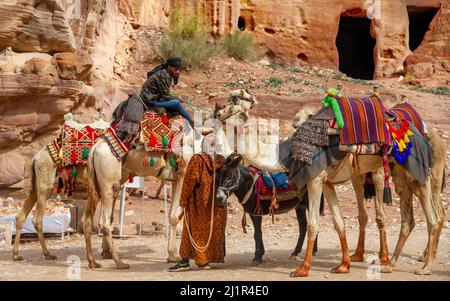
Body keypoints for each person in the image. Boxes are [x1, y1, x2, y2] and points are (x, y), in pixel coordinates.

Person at [168, 134, 227, 271]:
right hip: (216, 206)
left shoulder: (197, 160)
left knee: (192, 232)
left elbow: (189, 183)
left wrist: (182, 203)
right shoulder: (222, 162)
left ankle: (189, 262)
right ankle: (202, 261)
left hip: (198, 204)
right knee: (209, 232)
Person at [113, 57, 195, 141]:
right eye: (176, 69)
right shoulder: (164, 75)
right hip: (150, 101)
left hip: (153, 98)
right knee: (176, 103)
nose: (178, 72)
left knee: (175, 101)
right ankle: (192, 122)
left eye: (179, 70)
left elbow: (164, 92)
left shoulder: (165, 73)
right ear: (169, 67)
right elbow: (166, 95)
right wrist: (179, 98)